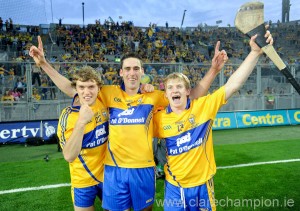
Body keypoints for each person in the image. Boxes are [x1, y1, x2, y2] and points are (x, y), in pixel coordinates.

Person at [29, 36, 228, 211]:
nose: (132, 73)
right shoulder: (108, 92)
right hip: (115, 169)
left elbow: (191, 95)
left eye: (136, 68)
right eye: (127, 69)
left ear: (142, 72)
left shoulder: (155, 96)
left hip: (144, 168)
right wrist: (44, 65)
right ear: (121, 73)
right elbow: (74, 89)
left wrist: (213, 70)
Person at [153, 32, 273, 210]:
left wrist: (254, 52)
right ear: (166, 95)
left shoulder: (204, 106)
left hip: (203, 185)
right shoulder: (158, 118)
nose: (174, 90)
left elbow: (232, 85)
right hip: (174, 187)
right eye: (170, 87)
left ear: (188, 91)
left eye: (179, 86)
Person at [56, 66, 109, 210]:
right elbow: (69, 156)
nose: (87, 92)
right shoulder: (69, 117)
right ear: (77, 89)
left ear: (98, 87)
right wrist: (81, 122)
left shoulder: (102, 101)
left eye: (91, 86)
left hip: (108, 176)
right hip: (82, 180)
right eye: (82, 87)